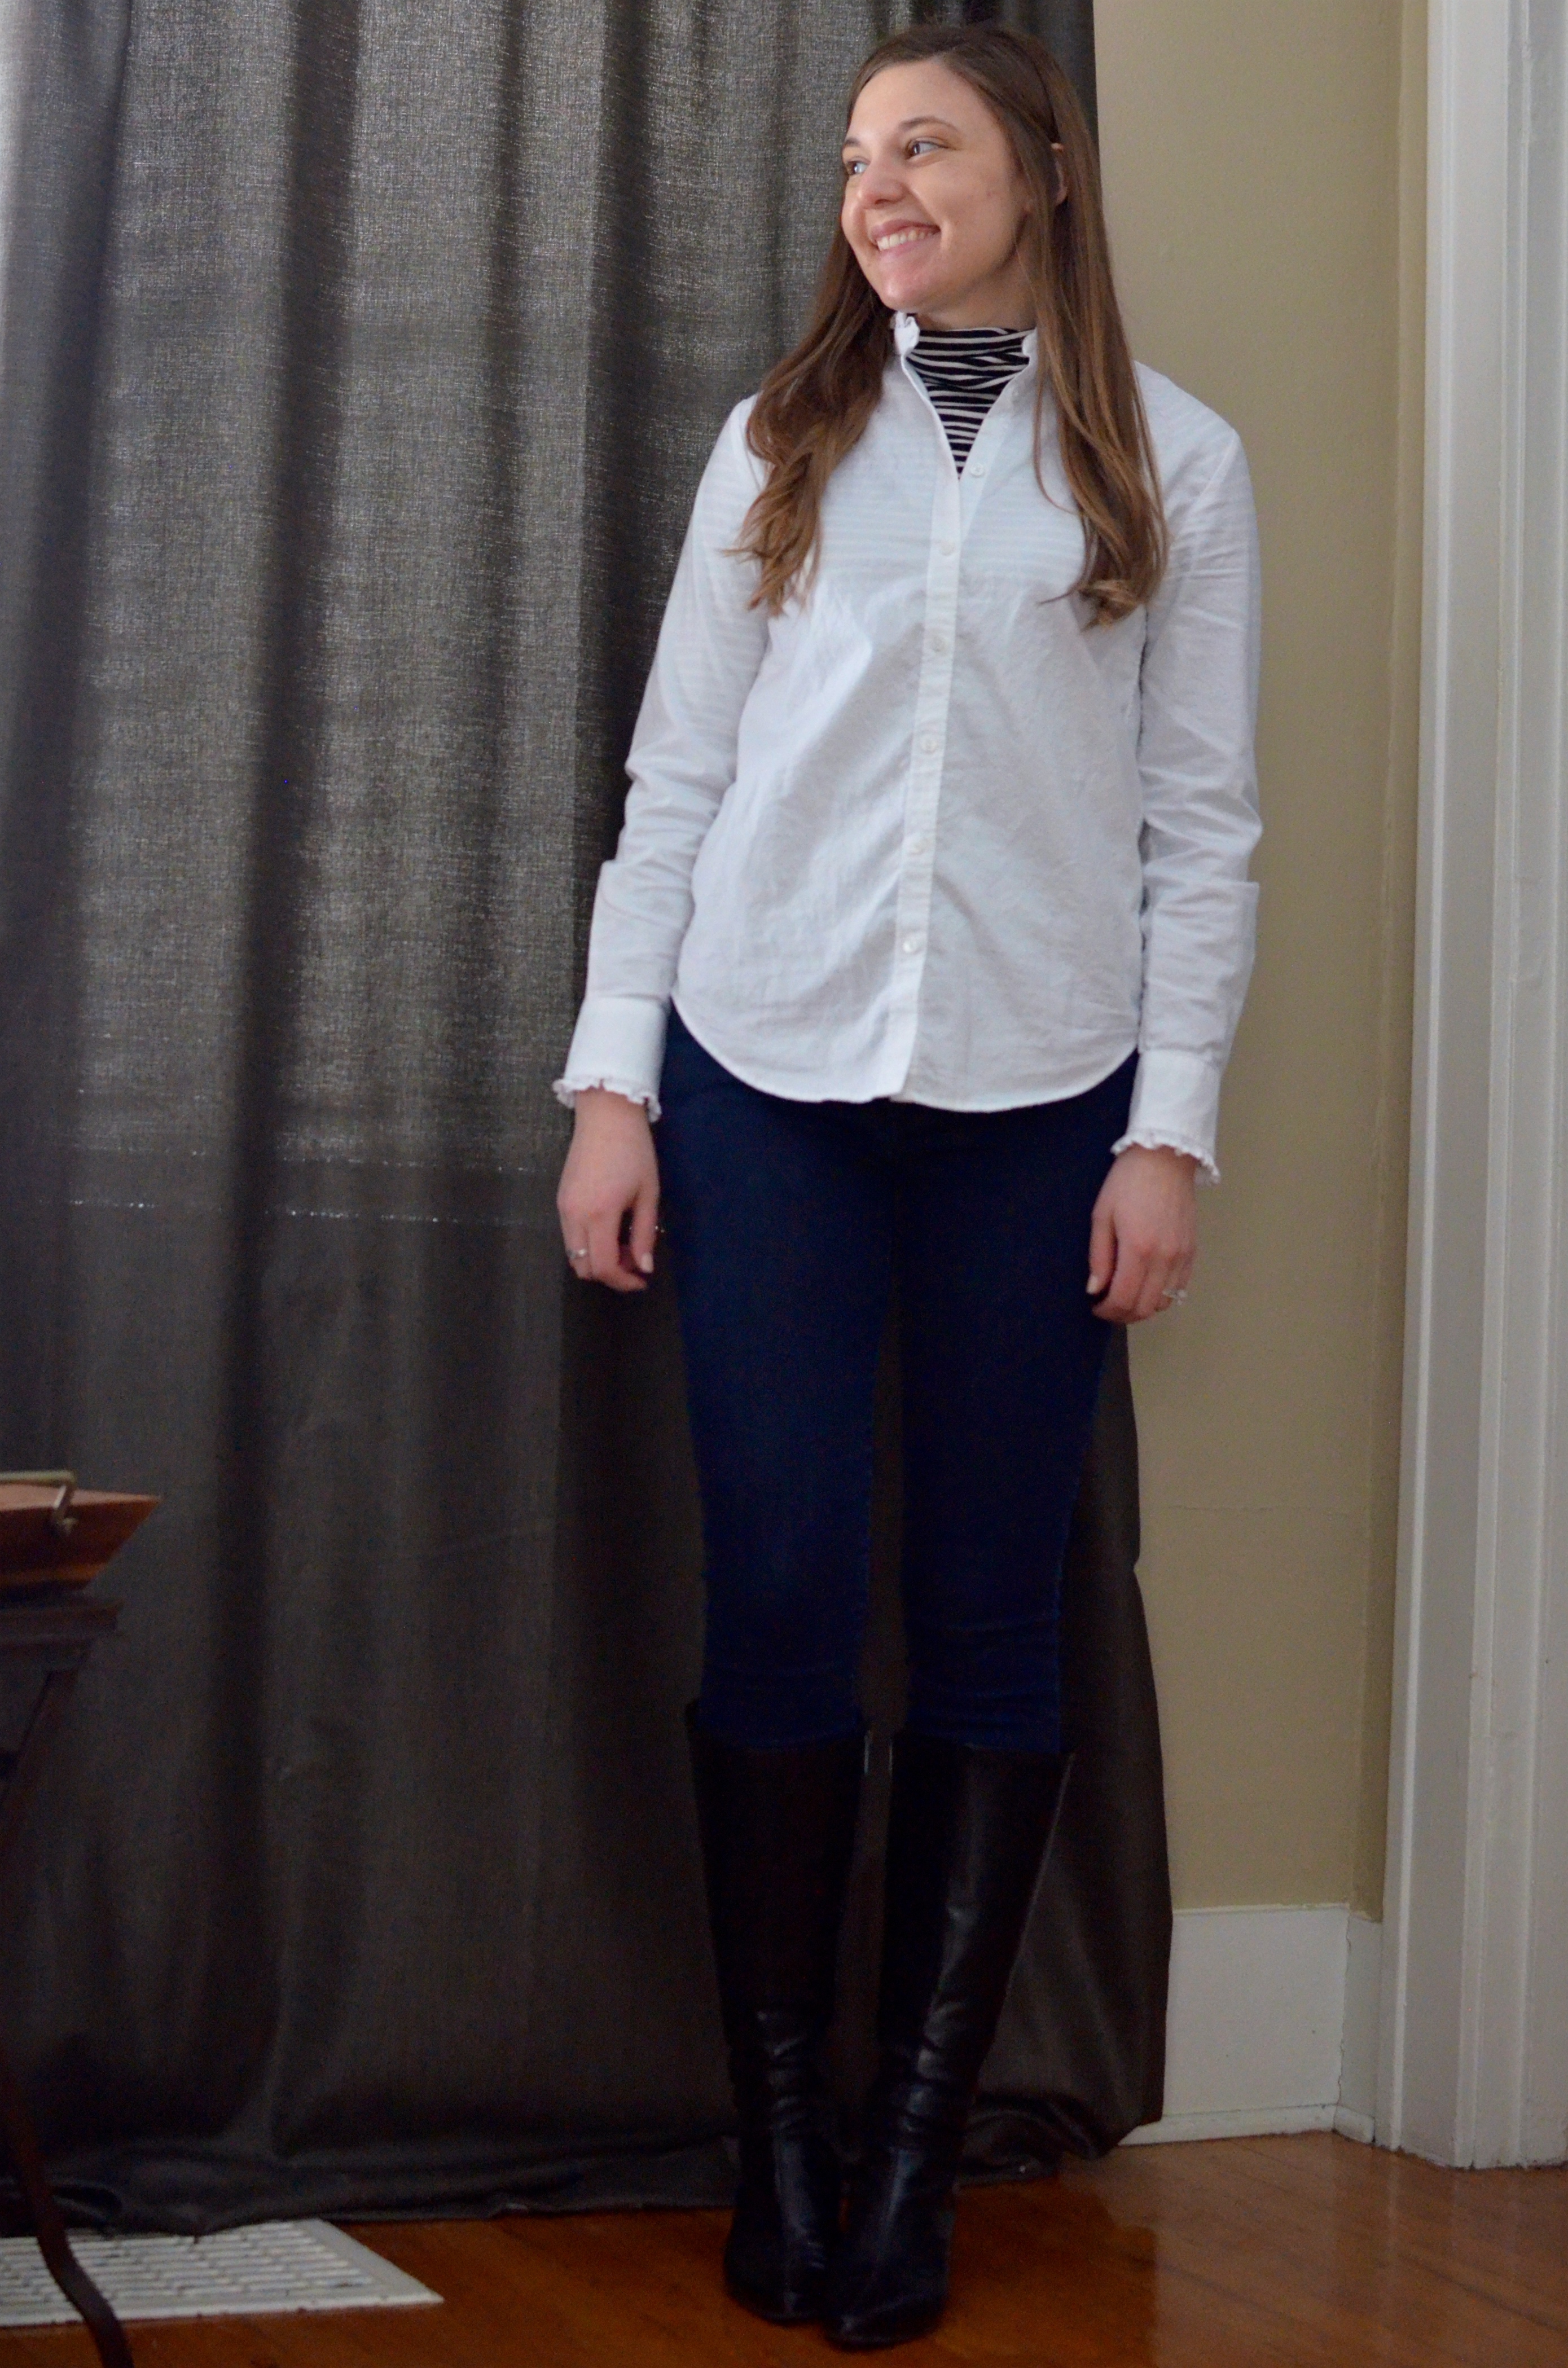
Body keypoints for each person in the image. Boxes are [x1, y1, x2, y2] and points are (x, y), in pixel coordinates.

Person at [554, 22, 1259, 2352]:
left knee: (983, 1614)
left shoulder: (1175, 462)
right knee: (774, 1598)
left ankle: (908, 2160)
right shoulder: (781, 439)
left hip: (1039, 1102)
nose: (878, 186)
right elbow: (675, 781)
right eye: (858, 156)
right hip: (760, 1077)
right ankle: (779, 2143)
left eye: (923, 145)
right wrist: (613, 1089)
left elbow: (1199, 831)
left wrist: (1165, 1133)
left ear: (1038, 171)